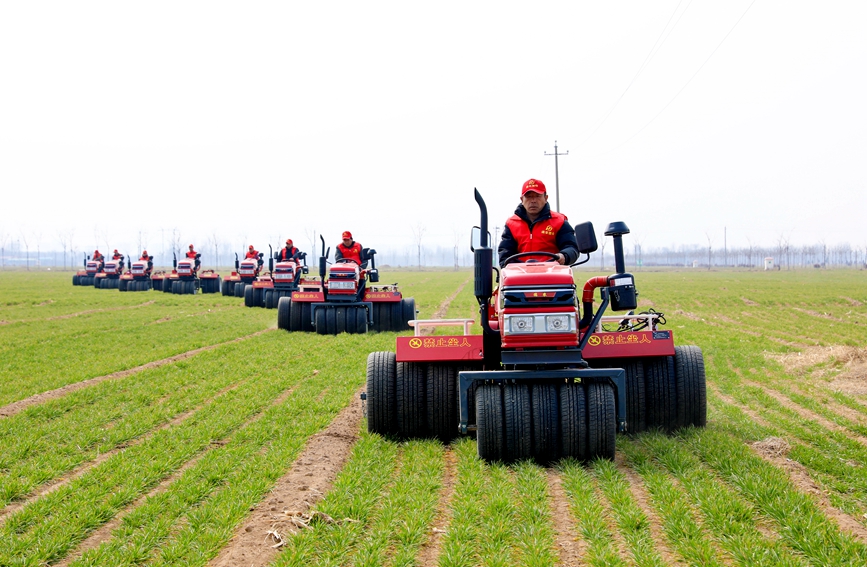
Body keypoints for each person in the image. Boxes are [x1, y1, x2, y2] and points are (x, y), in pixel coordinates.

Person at [497, 178, 579, 268]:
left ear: (546, 198)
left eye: (537, 196)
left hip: (552, 275)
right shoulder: (511, 224)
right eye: (529, 196)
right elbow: (505, 253)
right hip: (520, 276)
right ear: (522, 199)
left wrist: (564, 255)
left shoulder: (559, 221)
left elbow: (572, 247)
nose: (533, 201)